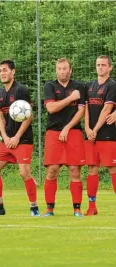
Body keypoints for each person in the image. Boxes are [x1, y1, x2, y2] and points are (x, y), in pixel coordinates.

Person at [0, 59, 39, 216]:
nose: (2, 73)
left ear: (13, 72)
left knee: (24, 173)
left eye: (5, 70)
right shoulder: (0, 92)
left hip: (23, 140)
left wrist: (17, 137)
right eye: (0, 71)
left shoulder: (20, 90)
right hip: (7, 140)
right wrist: (5, 137)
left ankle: (34, 208)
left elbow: (29, 116)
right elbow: (1, 116)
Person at [43, 58, 86, 217]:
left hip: (73, 132)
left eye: (65, 68)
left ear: (70, 70)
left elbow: (81, 112)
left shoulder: (79, 87)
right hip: (53, 133)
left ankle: (77, 209)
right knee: (52, 171)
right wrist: (70, 98)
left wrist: (67, 128)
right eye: (59, 69)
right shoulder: (49, 86)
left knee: (75, 171)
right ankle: (49, 210)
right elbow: (51, 108)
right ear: (56, 71)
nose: (62, 71)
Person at [84, 55, 116, 216]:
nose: (100, 67)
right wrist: (87, 128)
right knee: (92, 168)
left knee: (112, 167)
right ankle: (92, 206)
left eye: (104, 65)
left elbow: (106, 110)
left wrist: (95, 129)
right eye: (98, 65)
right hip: (91, 135)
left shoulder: (112, 86)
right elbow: (86, 109)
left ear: (110, 67)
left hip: (108, 134)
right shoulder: (89, 85)